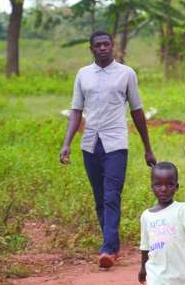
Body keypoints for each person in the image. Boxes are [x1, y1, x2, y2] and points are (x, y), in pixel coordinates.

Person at [59, 30, 156, 268]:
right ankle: (112, 243)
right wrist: (66, 143)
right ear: (91, 49)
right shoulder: (83, 75)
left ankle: (108, 249)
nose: (103, 48)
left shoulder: (126, 74)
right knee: (99, 197)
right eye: (98, 45)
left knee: (112, 195)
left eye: (106, 44)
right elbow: (76, 111)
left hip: (116, 144)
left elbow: (137, 111)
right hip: (90, 144)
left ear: (113, 46)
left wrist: (147, 148)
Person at [138, 162, 185, 284]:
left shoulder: (182, 209)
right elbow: (145, 247)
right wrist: (143, 268)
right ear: (152, 186)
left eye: (169, 184)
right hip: (156, 276)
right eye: (158, 185)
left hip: (181, 277)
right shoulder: (146, 216)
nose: (164, 189)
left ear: (176, 186)